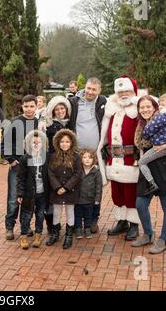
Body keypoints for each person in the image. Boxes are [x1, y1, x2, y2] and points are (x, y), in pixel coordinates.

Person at [132, 95, 166, 254]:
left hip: (164, 167)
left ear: (155, 107)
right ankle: (148, 234)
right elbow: (139, 145)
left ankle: (163, 239)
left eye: (148, 106)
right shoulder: (140, 125)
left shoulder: (164, 118)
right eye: (142, 107)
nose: (145, 109)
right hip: (147, 169)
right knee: (140, 204)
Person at [97, 75, 141, 241]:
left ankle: (134, 224)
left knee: (131, 193)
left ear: (133, 91)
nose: (123, 94)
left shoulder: (138, 109)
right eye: (120, 91)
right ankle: (122, 221)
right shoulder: (111, 109)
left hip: (131, 160)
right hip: (113, 160)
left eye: (126, 91)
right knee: (117, 192)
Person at [68, 78, 107, 233]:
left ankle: (93, 220)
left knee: (95, 188)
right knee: (76, 187)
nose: (90, 92)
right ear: (85, 87)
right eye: (88, 88)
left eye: (94, 90)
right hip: (76, 154)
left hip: (95, 155)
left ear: (99, 91)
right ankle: (76, 222)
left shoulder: (103, 102)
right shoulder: (73, 102)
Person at [1, 95, 39, 241]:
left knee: (29, 198)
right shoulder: (15, 122)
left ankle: (26, 226)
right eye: (26, 106)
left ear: (36, 107)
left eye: (32, 106)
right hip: (17, 167)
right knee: (13, 198)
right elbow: (5, 144)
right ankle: (9, 226)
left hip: (33, 167)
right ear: (22, 107)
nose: (29, 109)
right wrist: (11, 160)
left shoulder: (38, 123)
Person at [40, 95, 72, 237]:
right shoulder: (48, 125)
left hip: (67, 166)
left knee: (67, 195)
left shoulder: (70, 124)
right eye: (57, 109)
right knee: (51, 197)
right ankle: (53, 226)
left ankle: (71, 225)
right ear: (52, 111)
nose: (60, 111)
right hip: (52, 164)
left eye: (62, 108)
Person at [47, 129, 82, 249]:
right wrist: (57, 187)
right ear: (58, 142)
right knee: (56, 212)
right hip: (56, 191)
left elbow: (78, 174)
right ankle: (55, 233)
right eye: (62, 141)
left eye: (67, 141)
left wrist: (66, 187)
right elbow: (50, 172)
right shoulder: (53, 157)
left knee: (69, 212)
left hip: (70, 191)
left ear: (72, 143)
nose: (64, 144)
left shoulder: (76, 157)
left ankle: (68, 236)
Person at [16, 130, 49, 249]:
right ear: (28, 144)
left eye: (39, 142)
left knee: (40, 215)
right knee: (26, 215)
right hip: (28, 193)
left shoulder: (46, 158)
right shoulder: (25, 159)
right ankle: (24, 236)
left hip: (42, 193)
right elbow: (21, 178)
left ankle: (38, 235)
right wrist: (20, 193)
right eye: (33, 142)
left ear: (43, 144)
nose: (36, 144)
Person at [75, 149, 102, 239]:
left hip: (90, 199)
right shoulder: (78, 170)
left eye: (90, 157)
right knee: (78, 215)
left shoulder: (96, 172)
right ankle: (78, 229)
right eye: (84, 157)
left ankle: (87, 228)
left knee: (88, 215)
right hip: (78, 199)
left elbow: (99, 187)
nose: (87, 159)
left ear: (94, 159)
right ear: (81, 159)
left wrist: (97, 199)